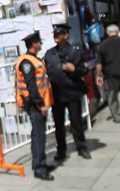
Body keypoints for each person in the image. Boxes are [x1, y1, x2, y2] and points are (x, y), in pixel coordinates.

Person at [44, 24, 91, 162]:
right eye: (54, 34)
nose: (56, 36)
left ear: (66, 35)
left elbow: (85, 70)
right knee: (59, 125)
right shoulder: (49, 53)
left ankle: (82, 147)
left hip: (72, 91)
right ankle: (61, 150)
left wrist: (74, 69)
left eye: (59, 34)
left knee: (76, 122)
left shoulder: (75, 51)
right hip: (57, 94)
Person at [15, 32, 55, 181]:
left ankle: (37, 163)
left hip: (37, 104)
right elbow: (32, 87)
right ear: (33, 44)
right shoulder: (26, 62)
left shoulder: (34, 59)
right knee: (39, 136)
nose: (41, 44)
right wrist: (41, 105)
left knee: (37, 135)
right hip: (35, 105)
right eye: (39, 42)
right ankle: (40, 168)